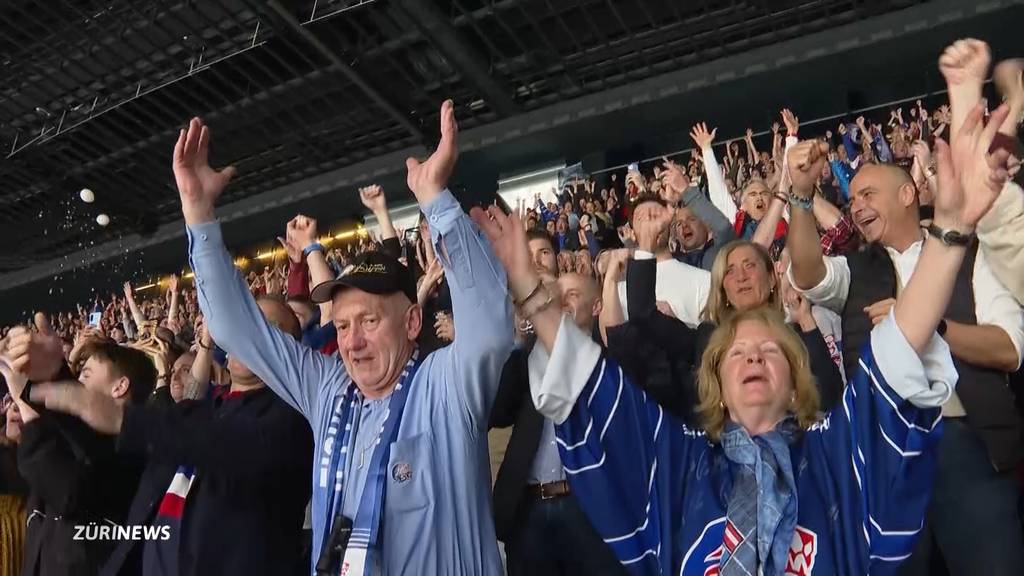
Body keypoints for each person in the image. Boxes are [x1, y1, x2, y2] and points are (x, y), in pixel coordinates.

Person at [471, 77, 1010, 576]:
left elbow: (897, 354)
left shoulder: (831, 455)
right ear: (717, 386)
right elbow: (590, 382)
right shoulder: (679, 462)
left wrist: (953, 229)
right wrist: (527, 286)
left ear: (796, 380)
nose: (752, 355)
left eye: (770, 351)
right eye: (737, 352)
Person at [162, 100, 514, 575]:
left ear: (413, 323)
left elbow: (490, 321)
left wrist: (435, 199)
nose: (351, 341)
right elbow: (234, 329)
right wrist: (198, 213)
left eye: (369, 321)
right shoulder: (328, 388)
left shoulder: (447, 386)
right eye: (343, 325)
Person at [489, 227, 622, 576]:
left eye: (571, 294)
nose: (561, 303)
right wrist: (520, 337)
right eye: (556, 296)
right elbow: (499, 412)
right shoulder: (527, 358)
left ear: (596, 306)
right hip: (529, 506)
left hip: (590, 506)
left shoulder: (608, 363)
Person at [4, 320, 153, 576]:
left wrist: (27, 402)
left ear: (120, 387)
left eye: (86, 374)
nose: (76, 381)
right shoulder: (75, 439)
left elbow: (68, 491)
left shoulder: (135, 451)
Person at [616, 196, 711, 327]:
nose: (651, 225)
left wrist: (676, 323)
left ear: (669, 226)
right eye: (642, 219)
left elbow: (714, 341)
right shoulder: (620, 290)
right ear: (632, 234)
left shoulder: (704, 280)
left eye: (656, 216)